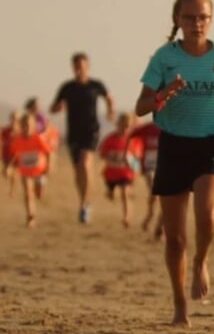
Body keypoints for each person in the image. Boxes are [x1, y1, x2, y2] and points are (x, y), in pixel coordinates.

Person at [134, 0, 214, 327]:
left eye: (203, 17)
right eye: (189, 17)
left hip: (210, 144)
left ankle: (201, 261)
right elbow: (140, 107)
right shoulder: (164, 58)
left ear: (211, 20)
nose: (197, 23)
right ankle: (180, 305)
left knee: (208, 216)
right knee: (175, 238)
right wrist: (163, 94)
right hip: (173, 146)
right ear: (178, 20)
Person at [50, 51, 115, 223]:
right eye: (76, 66)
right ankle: (83, 202)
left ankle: (86, 205)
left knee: (86, 164)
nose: (79, 69)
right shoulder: (67, 87)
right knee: (78, 169)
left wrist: (110, 111)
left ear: (87, 66)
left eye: (82, 66)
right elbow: (53, 107)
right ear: (73, 68)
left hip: (91, 131)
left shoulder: (95, 85)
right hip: (74, 132)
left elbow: (109, 98)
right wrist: (59, 107)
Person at [6, 112, 52, 227]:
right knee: (28, 192)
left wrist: (48, 167)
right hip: (26, 170)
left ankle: (40, 190)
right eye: (24, 125)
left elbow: (48, 152)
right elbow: (14, 155)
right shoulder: (18, 141)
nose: (26, 128)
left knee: (38, 194)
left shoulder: (38, 138)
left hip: (39, 171)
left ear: (33, 126)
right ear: (21, 126)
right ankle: (31, 217)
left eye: (29, 125)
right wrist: (9, 167)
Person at [99, 113, 144, 227]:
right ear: (117, 125)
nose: (125, 129)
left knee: (125, 193)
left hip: (126, 174)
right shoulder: (110, 139)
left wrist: (133, 166)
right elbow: (102, 154)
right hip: (111, 174)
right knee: (110, 194)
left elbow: (137, 159)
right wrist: (111, 156)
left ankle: (127, 217)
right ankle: (110, 192)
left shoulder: (134, 141)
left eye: (127, 126)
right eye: (122, 126)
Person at [130, 118, 163, 238]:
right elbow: (129, 135)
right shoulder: (147, 128)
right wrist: (128, 155)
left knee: (167, 197)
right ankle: (150, 216)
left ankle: (159, 226)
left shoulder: (171, 128)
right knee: (155, 192)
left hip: (166, 167)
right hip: (149, 167)